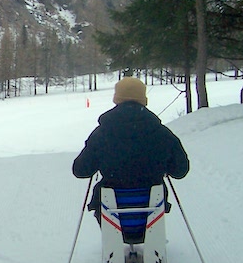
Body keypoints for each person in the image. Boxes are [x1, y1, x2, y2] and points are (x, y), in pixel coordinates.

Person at [72, 77, 189, 225]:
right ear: (143, 99)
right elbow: (180, 170)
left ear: (117, 99)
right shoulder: (161, 133)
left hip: (111, 213)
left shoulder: (101, 133)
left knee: (105, 196)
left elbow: (80, 170)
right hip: (152, 211)